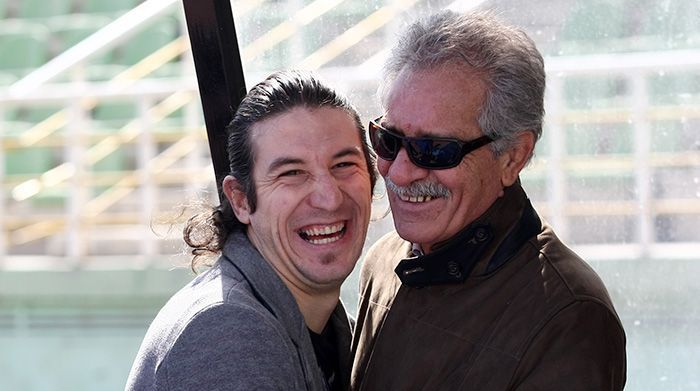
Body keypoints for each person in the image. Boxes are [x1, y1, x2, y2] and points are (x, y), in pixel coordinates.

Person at [351, 10, 626, 390]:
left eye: (434, 149)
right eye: (389, 140)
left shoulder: (568, 316)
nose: (398, 172)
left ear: (513, 156)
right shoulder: (384, 262)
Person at [125, 70, 377, 390]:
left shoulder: (332, 328)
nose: (329, 197)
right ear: (241, 200)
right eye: (292, 173)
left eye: (343, 165)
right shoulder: (226, 332)